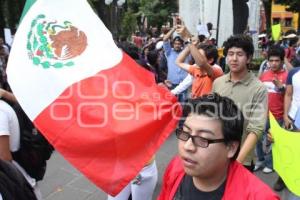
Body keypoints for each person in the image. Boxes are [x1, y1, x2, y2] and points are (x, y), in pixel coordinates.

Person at [157, 93, 279, 199]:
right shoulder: (176, 166)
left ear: (231, 148)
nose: (188, 147)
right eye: (185, 133)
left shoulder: (259, 197)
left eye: (203, 139)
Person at [212, 34, 268, 171]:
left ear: (248, 58)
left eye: (239, 54)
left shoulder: (259, 88)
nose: (234, 59)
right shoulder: (218, 83)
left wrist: (237, 163)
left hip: (242, 160)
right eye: (230, 54)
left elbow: (256, 129)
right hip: (215, 154)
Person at [254, 45, 288, 174]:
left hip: (278, 116)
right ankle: (260, 160)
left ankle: (270, 163)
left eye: (277, 61)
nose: (273, 63)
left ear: (282, 61)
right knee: (256, 137)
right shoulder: (264, 75)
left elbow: (290, 96)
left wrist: (281, 88)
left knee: (271, 141)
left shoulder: (286, 76)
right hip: (262, 114)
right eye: (271, 60)